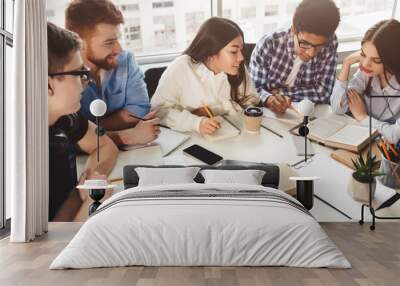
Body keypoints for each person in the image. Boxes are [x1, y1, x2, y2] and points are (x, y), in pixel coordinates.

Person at [47, 22, 118, 221]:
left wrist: (90, 179)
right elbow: (44, 248)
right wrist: (90, 204)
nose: (86, 81)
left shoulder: (66, 118)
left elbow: (105, 145)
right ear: (47, 84)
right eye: (79, 73)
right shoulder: (20, 154)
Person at [65, 0, 160, 147]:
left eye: (117, 39)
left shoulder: (126, 61)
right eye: (109, 42)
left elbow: (139, 111)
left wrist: (90, 127)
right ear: (80, 43)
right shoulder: (63, 76)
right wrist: (127, 135)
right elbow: (69, 137)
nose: (119, 50)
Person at [151, 17, 260, 135]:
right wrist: (195, 122)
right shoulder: (182, 66)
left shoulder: (236, 67)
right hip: (191, 139)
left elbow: (252, 99)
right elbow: (158, 111)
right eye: (233, 52)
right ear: (212, 51)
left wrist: (214, 110)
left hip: (232, 135)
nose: (241, 58)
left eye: (241, 50)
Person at [250, 0, 340, 114]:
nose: (311, 53)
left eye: (319, 46)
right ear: (293, 30)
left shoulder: (330, 42)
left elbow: (324, 93)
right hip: (269, 116)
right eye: (305, 44)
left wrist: (280, 93)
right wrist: (268, 99)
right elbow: (253, 89)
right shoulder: (269, 44)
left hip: (309, 116)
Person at [330, 19, 400, 144]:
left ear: (392, 60)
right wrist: (346, 64)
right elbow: (338, 108)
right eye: (363, 54)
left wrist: (362, 117)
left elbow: (395, 136)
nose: (366, 64)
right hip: (364, 139)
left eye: (376, 60)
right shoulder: (367, 72)